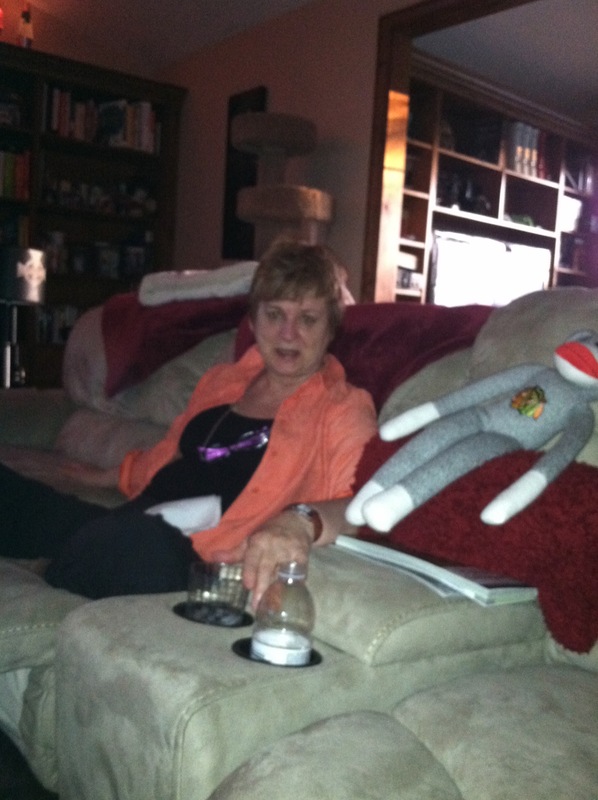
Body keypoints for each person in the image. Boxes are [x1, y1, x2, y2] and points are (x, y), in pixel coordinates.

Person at [0, 240, 376, 606]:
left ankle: (64, 568)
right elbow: (168, 455)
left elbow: (364, 509)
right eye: (275, 314)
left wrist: (301, 521)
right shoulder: (223, 380)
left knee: (134, 540)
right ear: (253, 319)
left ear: (331, 328)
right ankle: (70, 562)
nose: (288, 333)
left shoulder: (343, 408)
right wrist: (101, 477)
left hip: (191, 556)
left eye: (307, 319)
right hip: (138, 520)